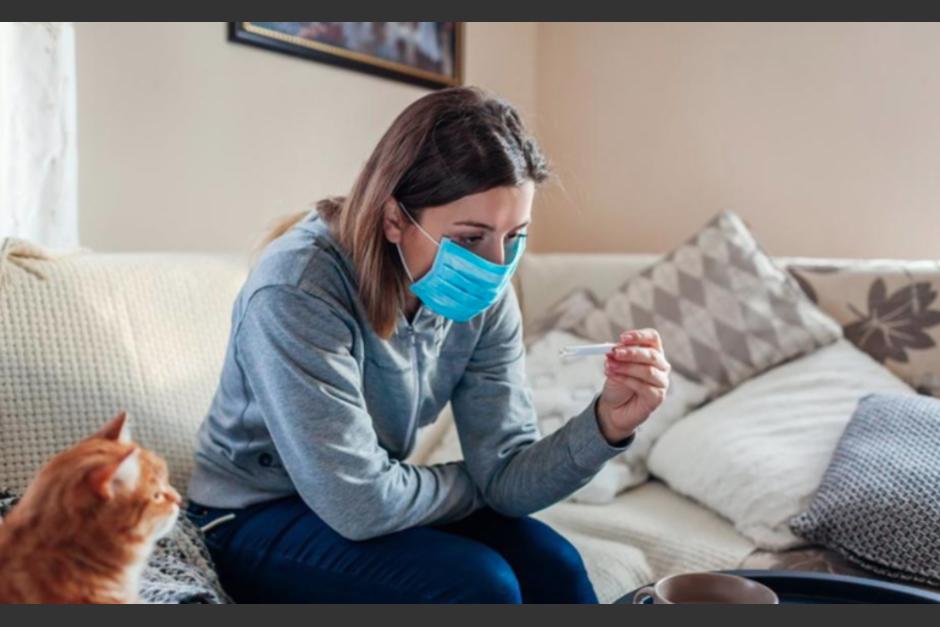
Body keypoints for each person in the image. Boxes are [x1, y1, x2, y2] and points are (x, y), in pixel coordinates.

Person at [185, 85, 671, 603]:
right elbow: (361, 504)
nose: (495, 263)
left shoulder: (487, 295)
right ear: (395, 218)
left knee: (558, 569)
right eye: (469, 238)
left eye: (516, 235)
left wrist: (607, 424)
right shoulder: (297, 289)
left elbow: (507, 474)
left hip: (368, 501)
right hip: (250, 516)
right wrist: (482, 483)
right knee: (480, 585)